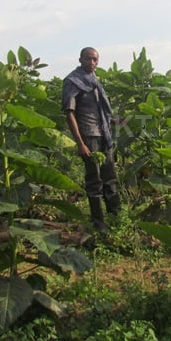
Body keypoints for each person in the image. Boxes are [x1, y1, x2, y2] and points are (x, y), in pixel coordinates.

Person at [62, 47, 120, 233]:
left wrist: (114, 121)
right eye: (89, 59)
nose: (93, 63)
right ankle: (99, 224)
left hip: (104, 133)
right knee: (94, 180)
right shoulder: (73, 81)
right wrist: (80, 143)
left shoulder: (94, 81)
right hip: (89, 135)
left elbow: (98, 109)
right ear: (80, 59)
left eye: (96, 59)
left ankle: (117, 218)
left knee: (110, 178)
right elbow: (70, 113)